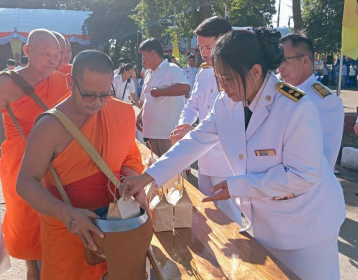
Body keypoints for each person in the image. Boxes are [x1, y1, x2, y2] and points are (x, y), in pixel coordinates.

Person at [121, 28, 346, 280]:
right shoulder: (226, 102)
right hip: (264, 224)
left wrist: (239, 185)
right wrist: (149, 177)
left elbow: (302, 176)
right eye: (218, 77)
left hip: (306, 228)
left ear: (256, 71)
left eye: (227, 78)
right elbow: (195, 140)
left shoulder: (295, 107)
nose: (222, 86)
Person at [17, 50, 145, 280]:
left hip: (116, 225)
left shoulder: (122, 112)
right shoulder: (49, 126)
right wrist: (67, 214)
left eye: (105, 95)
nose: (97, 103)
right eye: (89, 95)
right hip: (67, 228)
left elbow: (130, 158)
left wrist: (135, 182)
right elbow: (25, 182)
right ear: (70, 82)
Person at [0, 29, 69, 279]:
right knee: (27, 218)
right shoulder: (9, 82)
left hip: (58, 159)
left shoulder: (63, 79)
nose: (53, 59)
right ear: (27, 52)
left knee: (58, 215)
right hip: (22, 160)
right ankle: (32, 269)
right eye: (46, 54)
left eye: (57, 54)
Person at [170, 16, 241, 225]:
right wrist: (184, 124)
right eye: (201, 47)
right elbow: (192, 104)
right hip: (204, 156)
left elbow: (230, 121)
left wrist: (192, 131)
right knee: (206, 210)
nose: (204, 52)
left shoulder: (238, 75)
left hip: (227, 159)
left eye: (208, 46)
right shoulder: (203, 72)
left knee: (230, 217)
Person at [278, 33, 344, 169]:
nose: (280, 68)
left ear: (304, 61)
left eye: (285, 60)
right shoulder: (277, 92)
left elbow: (324, 160)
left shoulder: (325, 101)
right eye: (278, 62)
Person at [137, 38, 190, 157]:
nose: (142, 59)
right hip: (150, 131)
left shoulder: (171, 69)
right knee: (154, 168)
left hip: (166, 132)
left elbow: (185, 88)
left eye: (144, 55)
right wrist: (140, 115)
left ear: (153, 53)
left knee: (170, 170)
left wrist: (161, 92)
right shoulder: (148, 73)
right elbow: (147, 98)